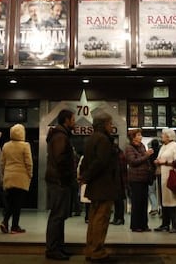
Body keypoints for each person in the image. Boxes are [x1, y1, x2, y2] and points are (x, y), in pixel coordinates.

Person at [80, 112, 119, 263]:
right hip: (103, 185)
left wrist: (85, 176)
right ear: (104, 125)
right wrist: (87, 176)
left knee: (93, 218)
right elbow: (101, 162)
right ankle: (98, 251)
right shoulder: (103, 139)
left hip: (94, 185)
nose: (111, 126)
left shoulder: (91, 139)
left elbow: (86, 161)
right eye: (110, 123)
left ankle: (90, 249)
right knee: (101, 219)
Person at [45, 109, 76, 261]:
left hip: (59, 180)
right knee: (57, 216)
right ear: (66, 120)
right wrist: (68, 176)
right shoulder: (60, 136)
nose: (75, 122)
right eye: (73, 119)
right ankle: (52, 249)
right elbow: (60, 159)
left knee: (59, 216)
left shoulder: (61, 135)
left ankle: (59, 246)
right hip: (59, 181)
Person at [0, 124, 33, 234]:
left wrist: (4, 174)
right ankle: (13, 226)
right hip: (21, 177)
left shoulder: (5, 146)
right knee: (17, 203)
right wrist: (30, 174)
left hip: (8, 177)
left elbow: (2, 163)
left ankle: (7, 223)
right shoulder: (25, 145)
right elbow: (28, 162)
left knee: (11, 202)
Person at [154, 128, 176, 234]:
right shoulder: (163, 146)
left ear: (168, 136)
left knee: (172, 201)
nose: (161, 136)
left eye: (163, 135)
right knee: (164, 201)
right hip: (161, 176)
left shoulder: (175, 146)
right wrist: (157, 161)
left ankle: (175, 226)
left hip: (169, 176)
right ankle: (165, 224)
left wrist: (165, 162)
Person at [125, 128, 154, 232]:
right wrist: (146, 155)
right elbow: (133, 161)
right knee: (136, 203)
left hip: (144, 178)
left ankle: (144, 225)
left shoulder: (142, 146)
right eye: (138, 135)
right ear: (133, 137)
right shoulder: (129, 148)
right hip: (135, 179)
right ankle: (136, 225)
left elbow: (143, 159)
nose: (140, 136)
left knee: (144, 203)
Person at [110, 145, 127, 226]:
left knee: (119, 201)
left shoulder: (118, 157)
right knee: (118, 201)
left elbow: (121, 170)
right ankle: (118, 218)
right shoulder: (120, 155)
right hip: (119, 181)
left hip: (119, 181)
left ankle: (119, 218)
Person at [148, 139, 161, 216]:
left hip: (152, 175)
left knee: (151, 192)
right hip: (160, 174)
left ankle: (154, 208)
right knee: (160, 193)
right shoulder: (160, 152)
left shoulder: (150, 153)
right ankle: (160, 209)